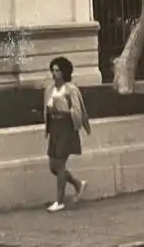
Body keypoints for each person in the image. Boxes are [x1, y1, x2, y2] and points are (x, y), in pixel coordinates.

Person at [44, 56, 91, 213]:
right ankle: (78, 184)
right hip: (55, 128)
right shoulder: (49, 89)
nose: (54, 73)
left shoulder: (70, 89)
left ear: (65, 72)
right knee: (53, 166)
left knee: (60, 164)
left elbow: (77, 111)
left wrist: (64, 110)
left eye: (57, 70)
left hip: (66, 127)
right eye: (53, 70)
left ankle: (60, 201)